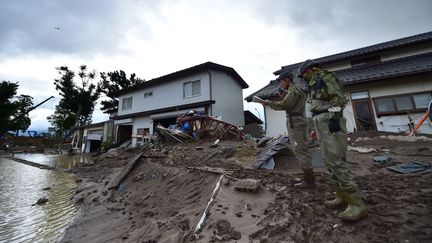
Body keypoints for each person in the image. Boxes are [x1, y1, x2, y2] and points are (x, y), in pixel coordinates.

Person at [297, 59, 368, 221]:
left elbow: (339, 99)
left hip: (330, 121)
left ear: (310, 70)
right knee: (329, 161)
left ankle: (357, 204)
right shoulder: (313, 83)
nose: (303, 78)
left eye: (304, 75)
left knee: (337, 161)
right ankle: (341, 196)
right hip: (321, 121)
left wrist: (335, 118)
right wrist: (316, 128)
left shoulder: (324, 77)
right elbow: (318, 105)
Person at [261, 70, 315, 189]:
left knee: (300, 149)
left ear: (287, 80)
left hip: (296, 122)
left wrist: (269, 103)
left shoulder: (294, 90)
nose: (280, 84)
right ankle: (307, 177)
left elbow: (286, 105)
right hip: (295, 120)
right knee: (299, 148)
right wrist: (284, 98)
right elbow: (290, 103)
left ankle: (310, 180)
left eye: (280, 81)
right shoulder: (293, 91)